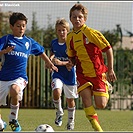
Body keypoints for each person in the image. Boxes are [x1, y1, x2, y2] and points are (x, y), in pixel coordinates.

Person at [0, 12, 58, 132]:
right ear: (11, 26)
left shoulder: (29, 42)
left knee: (15, 90)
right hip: (3, 77)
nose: (21, 28)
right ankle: (1, 124)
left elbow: (41, 51)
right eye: (18, 25)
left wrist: (49, 63)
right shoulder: (6, 39)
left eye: (23, 25)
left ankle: (13, 119)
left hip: (20, 77)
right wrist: (4, 52)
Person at [66, 3, 117, 132]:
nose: (77, 19)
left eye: (80, 17)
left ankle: (105, 85)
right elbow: (72, 56)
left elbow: (108, 49)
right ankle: (97, 128)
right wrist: (70, 63)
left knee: (101, 104)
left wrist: (110, 69)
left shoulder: (91, 33)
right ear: (70, 19)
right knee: (85, 98)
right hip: (82, 74)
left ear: (85, 19)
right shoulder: (70, 37)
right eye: (74, 17)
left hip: (98, 73)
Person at [49, 18, 78, 130]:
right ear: (56, 31)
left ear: (68, 30)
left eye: (64, 30)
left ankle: (71, 122)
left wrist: (66, 63)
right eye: (59, 30)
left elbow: (75, 58)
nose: (61, 32)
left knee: (70, 100)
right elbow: (52, 53)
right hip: (57, 73)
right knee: (56, 91)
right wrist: (51, 60)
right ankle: (59, 112)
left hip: (70, 74)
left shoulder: (71, 43)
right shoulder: (54, 43)